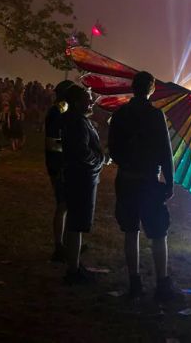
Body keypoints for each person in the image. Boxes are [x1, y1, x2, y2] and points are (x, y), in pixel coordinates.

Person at [108, 71, 177, 301]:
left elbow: (113, 149)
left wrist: (127, 162)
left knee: (130, 231)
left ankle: (134, 282)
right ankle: (162, 284)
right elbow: (165, 151)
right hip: (149, 180)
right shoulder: (155, 115)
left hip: (126, 178)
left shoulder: (120, 115)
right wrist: (169, 180)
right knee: (158, 233)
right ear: (151, 89)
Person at [61, 85, 105, 285]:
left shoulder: (77, 120)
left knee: (76, 223)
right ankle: (73, 270)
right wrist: (99, 160)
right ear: (78, 102)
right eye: (88, 98)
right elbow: (82, 152)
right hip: (81, 178)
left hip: (80, 177)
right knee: (76, 223)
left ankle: (75, 265)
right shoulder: (77, 122)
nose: (92, 101)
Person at [45, 80, 74, 262]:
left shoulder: (62, 111)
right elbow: (52, 142)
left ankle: (68, 243)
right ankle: (59, 246)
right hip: (58, 165)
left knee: (67, 205)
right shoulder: (56, 113)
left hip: (63, 164)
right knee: (63, 205)